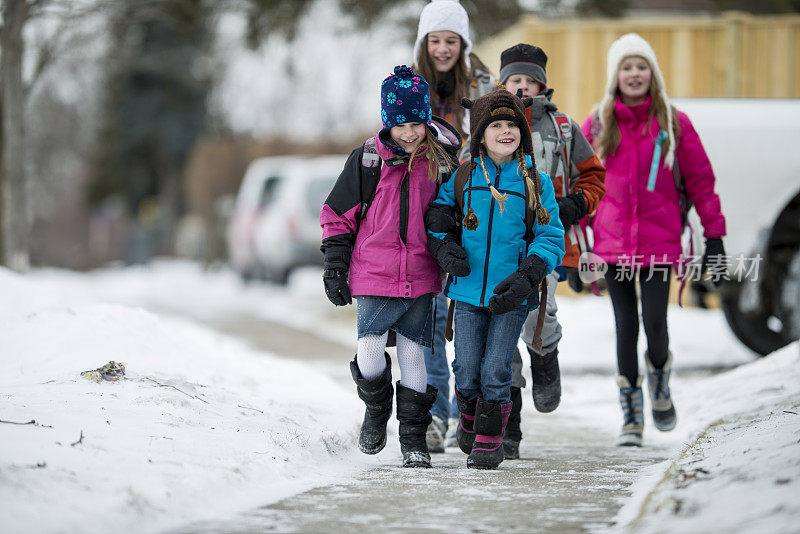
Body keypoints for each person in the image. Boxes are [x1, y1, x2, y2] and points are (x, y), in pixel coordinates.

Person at [580, 34, 726, 446]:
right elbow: (577, 183)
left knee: (655, 323)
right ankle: (631, 413)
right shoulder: (598, 123)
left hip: (660, 243)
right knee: (625, 326)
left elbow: (701, 182)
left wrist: (714, 237)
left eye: (641, 66)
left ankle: (660, 381)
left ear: (652, 74)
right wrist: (573, 251)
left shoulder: (673, 122)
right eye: (626, 67)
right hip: (611, 245)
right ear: (616, 77)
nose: (634, 74)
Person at [319, 66, 462, 467]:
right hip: (373, 272)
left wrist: (450, 248)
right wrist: (335, 264)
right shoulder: (367, 161)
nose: (411, 132)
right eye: (401, 124)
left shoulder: (441, 162)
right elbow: (337, 214)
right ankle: (377, 409)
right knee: (369, 348)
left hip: (420, 272)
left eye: (418, 122)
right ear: (388, 122)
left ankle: (413, 439)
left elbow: (452, 213)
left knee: (415, 354)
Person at [426, 88, 565, 468]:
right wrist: (445, 248)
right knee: (468, 367)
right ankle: (469, 415)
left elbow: (551, 235)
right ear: (481, 134)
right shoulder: (464, 176)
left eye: (512, 125)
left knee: (496, 368)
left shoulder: (535, 181)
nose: (506, 131)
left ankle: (491, 436)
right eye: (496, 125)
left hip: (513, 294)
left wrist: (530, 273)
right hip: (468, 292)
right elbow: (438, 217)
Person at [497, 44, 606, 459]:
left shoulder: (562, 127)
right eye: (514, 81)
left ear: (542, 84)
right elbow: (465, 177)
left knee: (539, 316)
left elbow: (593, 174)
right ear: (502, 84)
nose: (522, 88)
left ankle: (546, 358)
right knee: (501, 333)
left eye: (529, 81)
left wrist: (577, 203)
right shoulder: (487, 126)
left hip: (547, 241)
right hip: (498, 246)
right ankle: (509, 426)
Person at [411, 0, 496, 453]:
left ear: (462, 43)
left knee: (463, 316)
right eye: (435, 39)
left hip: (470, 212)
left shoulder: (483, 84)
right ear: (424, 43)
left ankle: (472, 410)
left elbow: (501, 141)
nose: (443, 48)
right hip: (421, 210)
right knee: (429, 318)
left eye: (451, 40)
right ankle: (434, 415)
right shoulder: (409, 84)